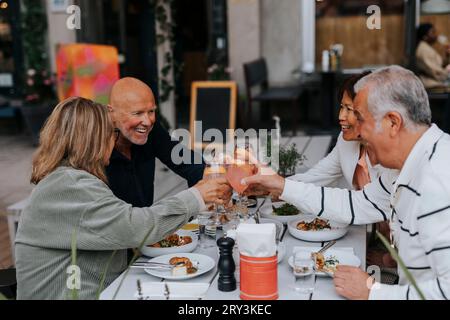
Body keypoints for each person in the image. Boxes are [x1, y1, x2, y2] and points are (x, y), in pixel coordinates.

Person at [243, 65, 450, 300]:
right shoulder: (408, 167)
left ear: (393, 122)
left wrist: (373, 292)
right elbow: (356, 204)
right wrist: (281, 186)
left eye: (360, 118)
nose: (356, 130)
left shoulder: (438, 180)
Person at [14, 97, 231, 300]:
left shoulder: (70, 178)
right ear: (92, 139)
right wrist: (197, 196)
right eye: (112, 133)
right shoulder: (69, 184)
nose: (115, 140)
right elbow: (134, 226)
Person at [106, 77, 205, 207]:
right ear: (112, 113)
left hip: (147, 223)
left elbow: (184, 159)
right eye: (137, 113)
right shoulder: (95, 148)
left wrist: (212, 175)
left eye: (151, 111)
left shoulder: (151, 132)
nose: (148, 122)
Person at [415, 23, 450, 89]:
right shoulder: (423, 50)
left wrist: (447, 56)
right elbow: (435, 72)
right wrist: (447, 72)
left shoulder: (427, 47)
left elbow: (439, 63)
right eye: (433, 32)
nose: (436, 35)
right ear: (424, 36)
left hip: (437, 83)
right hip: (431, 85)